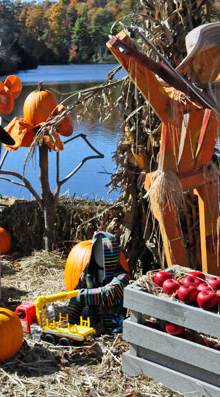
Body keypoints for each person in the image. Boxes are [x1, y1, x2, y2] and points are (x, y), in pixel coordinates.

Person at [107, 23, 220, 273]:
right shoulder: (177, 96)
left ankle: (212, 281)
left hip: (204, 170)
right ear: (200, 58)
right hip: (168, 178)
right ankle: (181, 284)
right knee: (175, 246)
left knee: (213, 239)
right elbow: (148, 77)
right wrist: (128, 52)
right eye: (213, 55)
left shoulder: (213, 93)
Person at [65, 232, 130, 333]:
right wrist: (70, 318)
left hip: (113, 327)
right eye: (96, 249)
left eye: (104, 251)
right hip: (92, 323)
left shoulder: (122, 277)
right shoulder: (88, 272)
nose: (99, 254)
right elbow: (76, 296)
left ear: (112, 253)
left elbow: (108, 294)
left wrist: (82, 295)